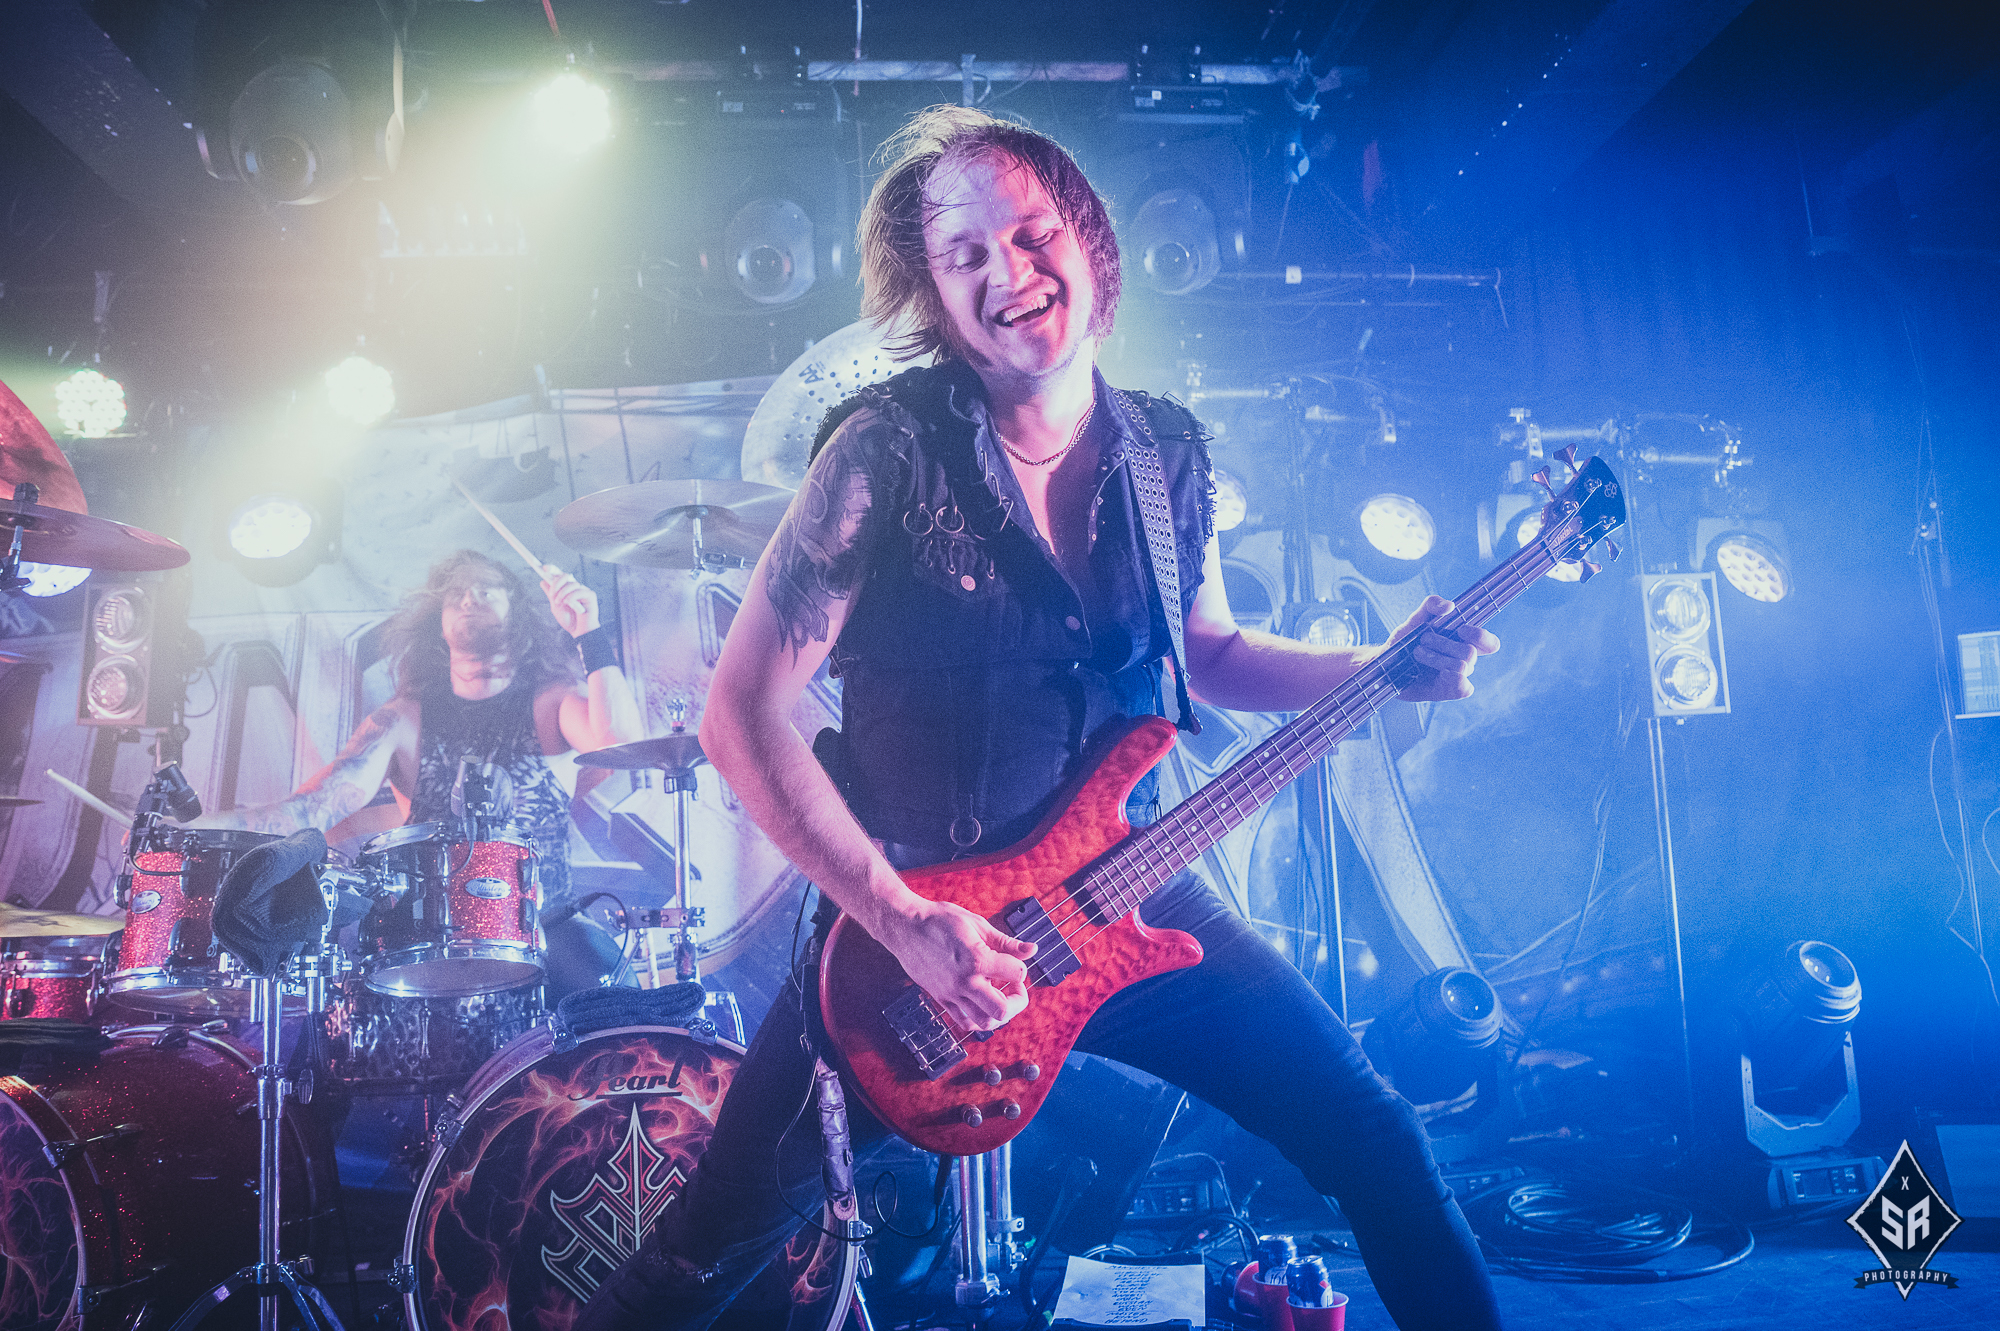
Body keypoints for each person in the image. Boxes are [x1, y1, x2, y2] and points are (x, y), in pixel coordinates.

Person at [580, 106, 1506, 1331]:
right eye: (963, 255)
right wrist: (902, 919)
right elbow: (738, 712)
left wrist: (1379, 662)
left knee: (1375, 1137)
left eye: (1029, 234)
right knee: (711, 1243)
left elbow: (1212, 652)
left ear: (1089, 244)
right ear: (932, 294)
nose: (1007, 272)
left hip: (1127, 892)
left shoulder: (1166, 452)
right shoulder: (881, 454)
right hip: (911, 936)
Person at [204, 549, 644, 918]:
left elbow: (623, 748)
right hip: (429, 947)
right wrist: (192, 828)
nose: (468, 599)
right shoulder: (402, 721)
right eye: (455, 594)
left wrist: (588, 632)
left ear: (518, 611)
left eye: (485, 589)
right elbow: (311, 810)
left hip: (546, 936)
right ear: (438, 622)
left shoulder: (552, 705)